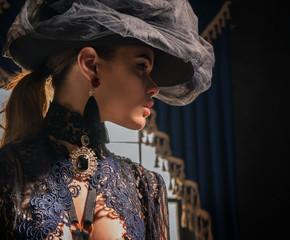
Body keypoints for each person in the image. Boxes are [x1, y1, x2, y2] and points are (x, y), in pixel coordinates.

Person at [0, 0, 214, 239]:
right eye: (141, 66)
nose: (154, 87)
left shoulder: (146, 187)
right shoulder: (6, 172)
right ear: (91, 64)